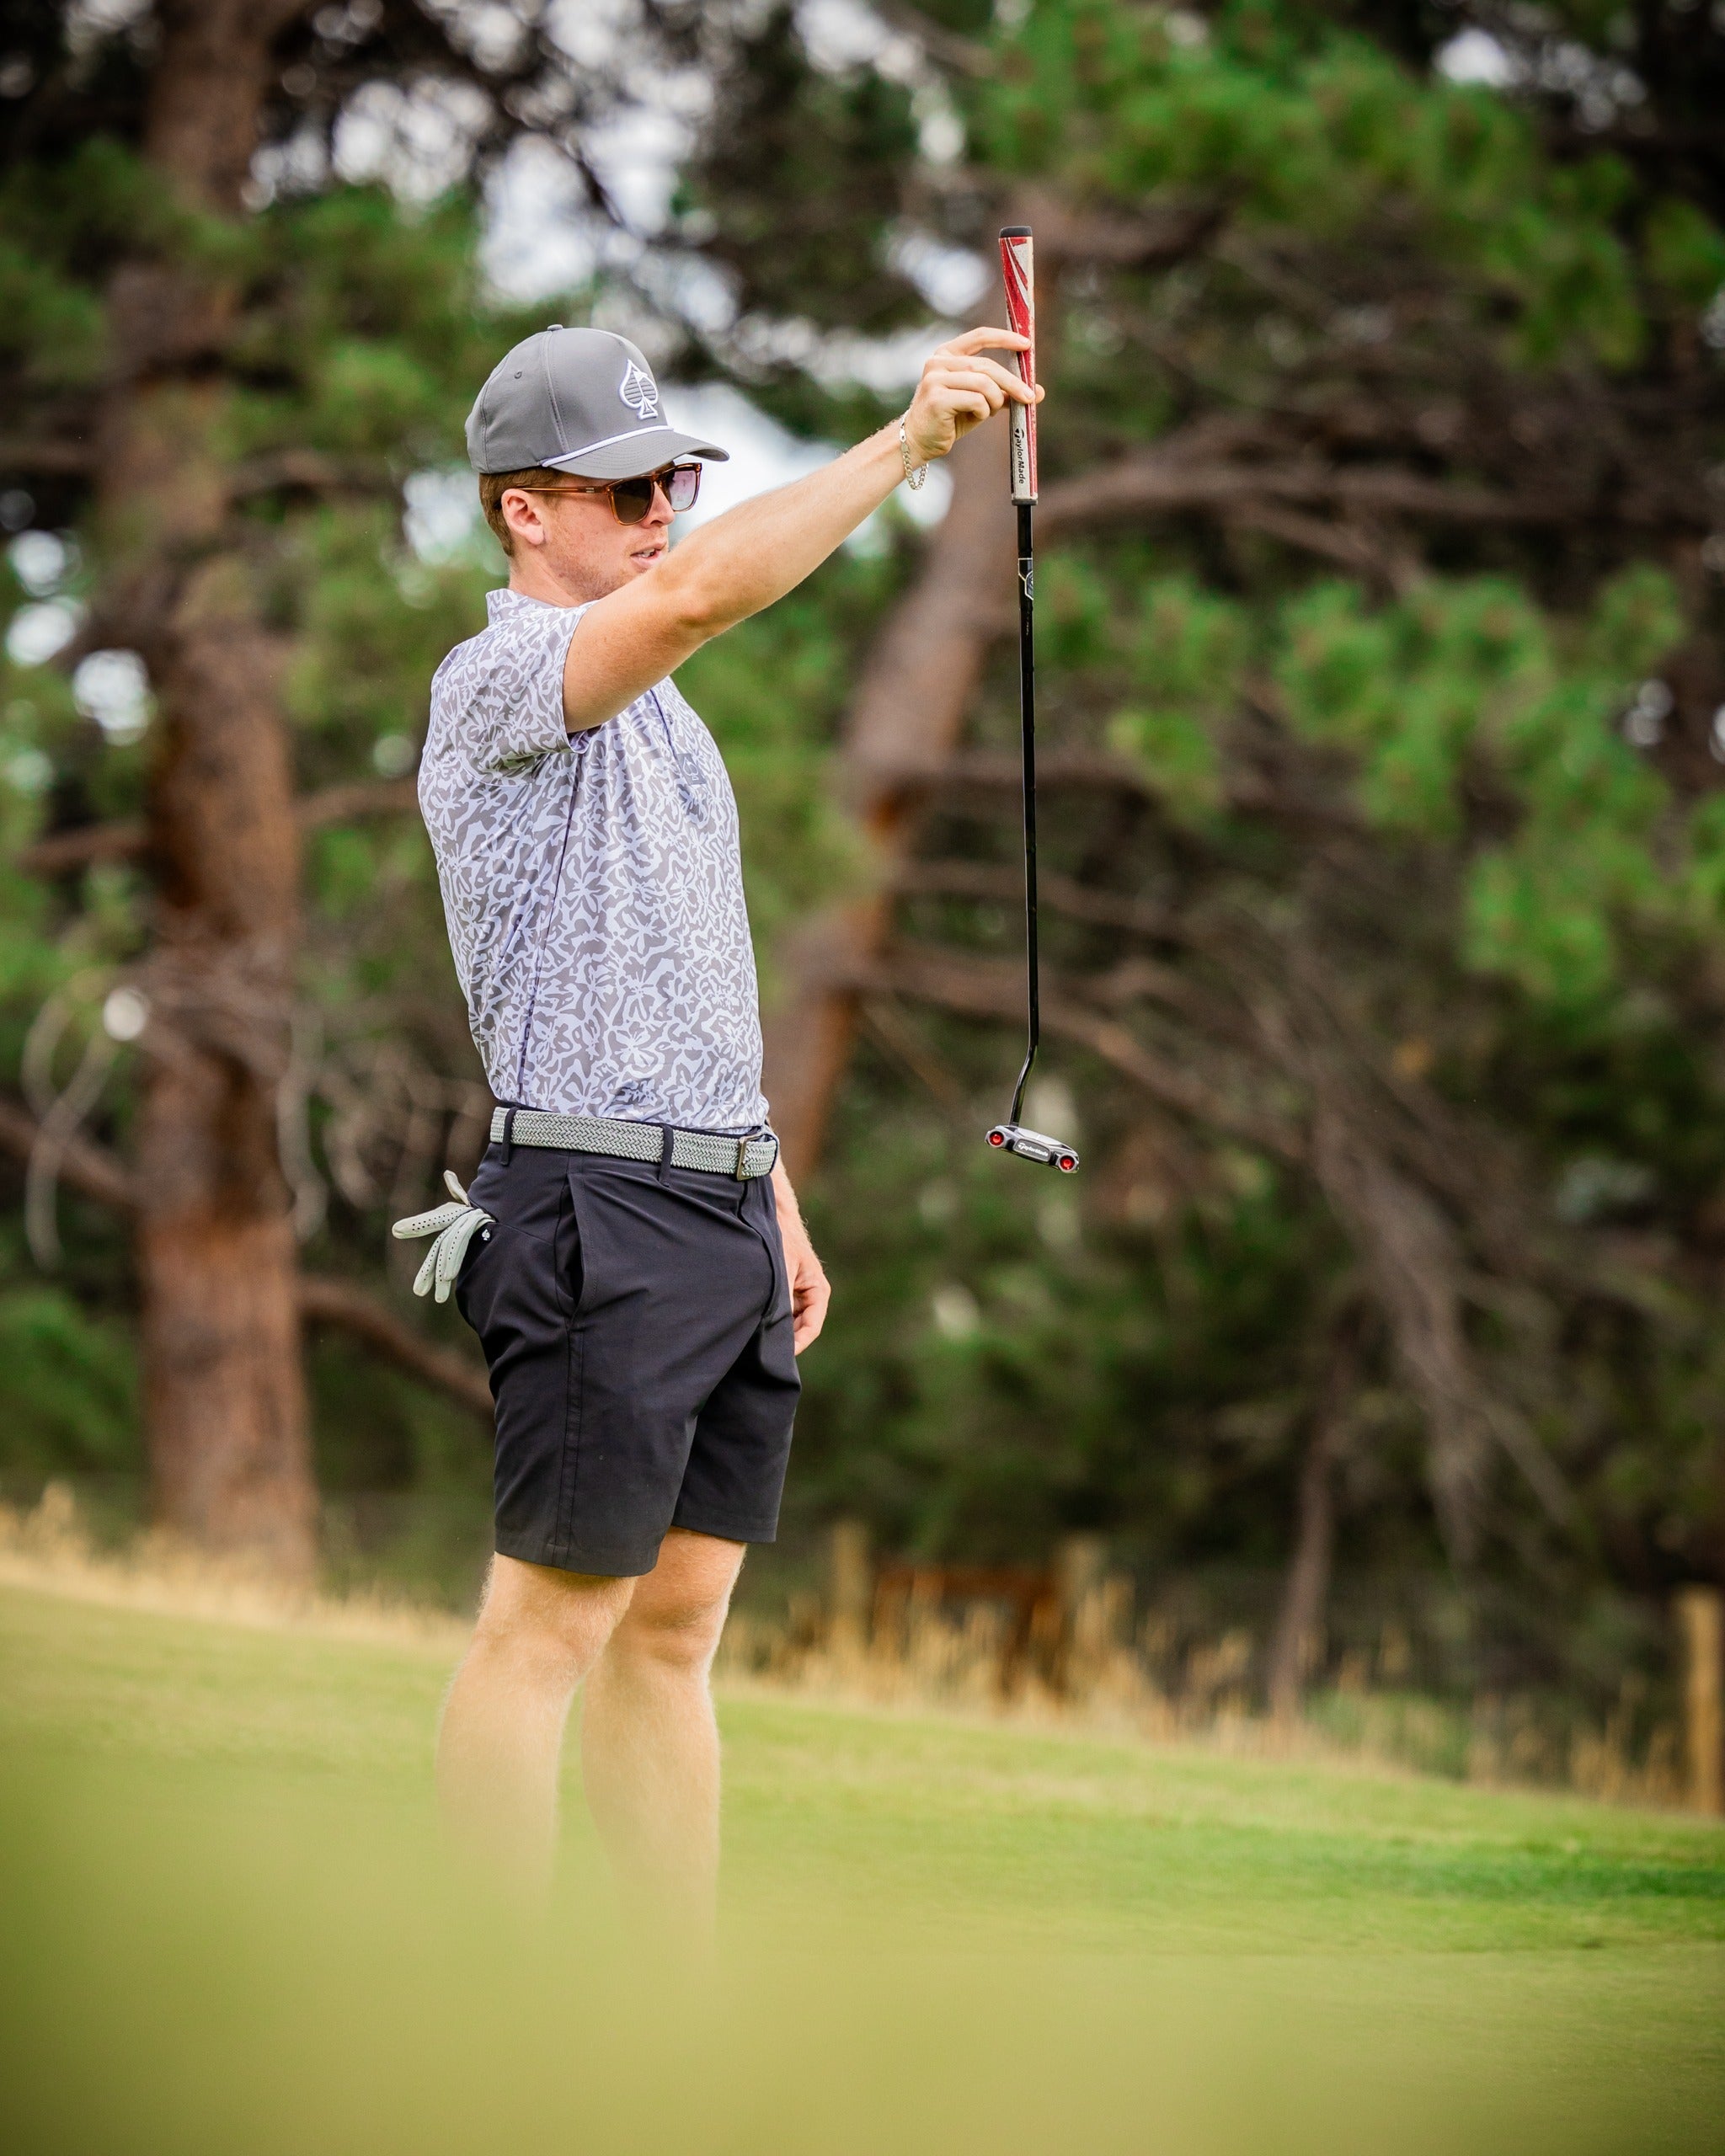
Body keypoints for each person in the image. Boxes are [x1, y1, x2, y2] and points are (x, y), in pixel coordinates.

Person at [404, 318, 1039, 1929]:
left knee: (676, 1629)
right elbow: (698, 599)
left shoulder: (674, 722)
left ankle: (671, 2022)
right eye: (620, 490)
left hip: (716, 1213)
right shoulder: (495, 682)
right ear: (518, 510)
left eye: (670, 478)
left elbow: (688, 966)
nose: (658, 513)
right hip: (587, 1211)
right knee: (546, 1629)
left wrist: (773, 1192)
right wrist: (905, 447)